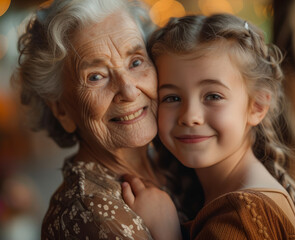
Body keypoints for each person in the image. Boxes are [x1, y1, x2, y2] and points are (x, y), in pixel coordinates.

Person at [122, 14, 295, 239]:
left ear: (257, 106)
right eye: (172, 98)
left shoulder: (242, 216)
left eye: (213, 96)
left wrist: (165, 233)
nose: (189, 117)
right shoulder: (215, 196)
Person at [12, 0, 186, 239]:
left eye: (135, 62)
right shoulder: (90, 216)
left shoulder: (175, 157)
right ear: (61, 109)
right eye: (96, 77)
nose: (128, 90)